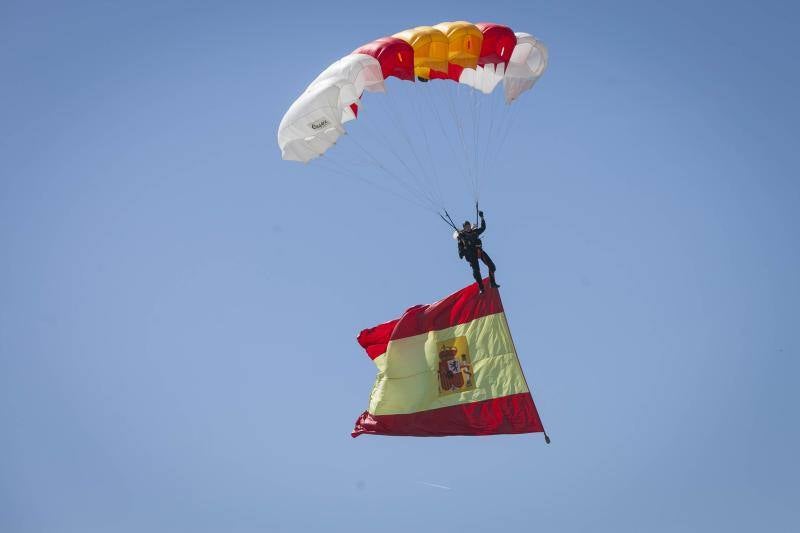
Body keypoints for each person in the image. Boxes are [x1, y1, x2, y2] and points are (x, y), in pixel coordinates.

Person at [457, 210, 500, 293]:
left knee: (492, 267)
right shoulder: (462, 237)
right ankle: (481, 288)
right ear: (464, 228)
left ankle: (492, 282)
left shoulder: (475, 232)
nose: (468, 227)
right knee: (476, 272)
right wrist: (462, 252)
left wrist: (482, 217)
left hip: (478, 252)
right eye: (466, 227)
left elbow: (483, 228)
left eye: (468, 226)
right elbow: (460, 251)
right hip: (471, 255)